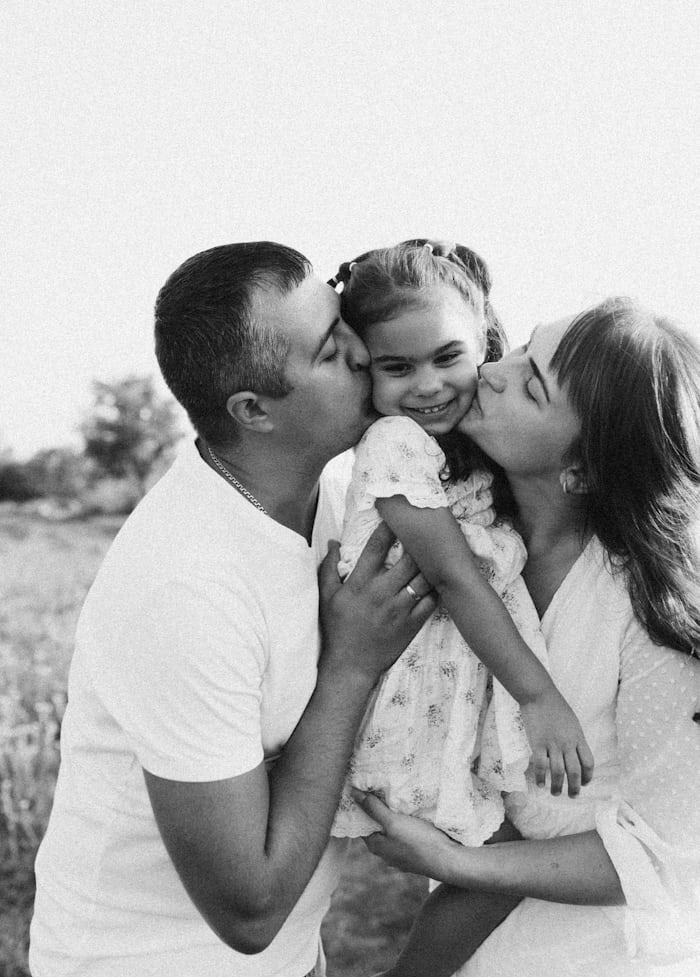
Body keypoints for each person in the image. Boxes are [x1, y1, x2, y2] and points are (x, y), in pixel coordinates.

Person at [29, 242, 438, 977]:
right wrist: (350, 667)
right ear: (253, 411)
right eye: (328, 350)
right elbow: (249, 909)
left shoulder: (341, 499)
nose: (363, 351)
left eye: (342, 320)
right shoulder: (183, 587)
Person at [354, 297, 700, 976]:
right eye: (520, 349)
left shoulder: (655, 608)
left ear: (582, 471)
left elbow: (667, 858)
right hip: (475, 942)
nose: (492, 370)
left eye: (533, 384)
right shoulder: (474, 533)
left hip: (594, 955)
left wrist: (454, 862)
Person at [327, 239, 592, 851]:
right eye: (397, 368)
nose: (428, 386)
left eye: (448, 357)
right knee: (479, 850)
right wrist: (539, 698)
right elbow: (454, 578)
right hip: (414, 682)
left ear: (482, 344)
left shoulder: (468, 441)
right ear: (366, 368)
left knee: (503, 837)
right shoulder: (395, 443)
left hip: (460, 672)